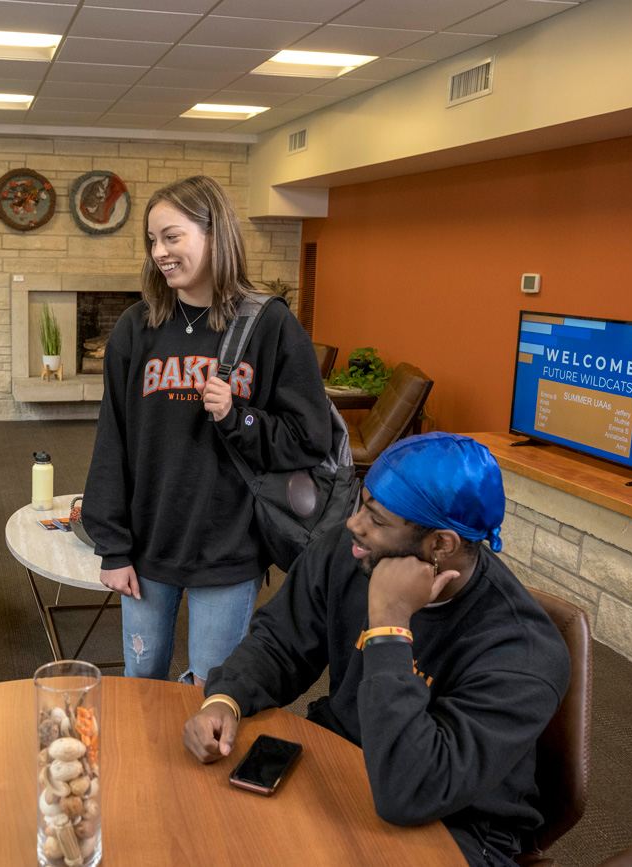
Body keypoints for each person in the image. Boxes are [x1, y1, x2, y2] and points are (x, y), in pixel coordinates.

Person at [182, 433, 571, 867]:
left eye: (378, 519)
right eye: (363, 502)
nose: (355, 524)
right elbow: (280, 642)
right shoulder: (352, 553)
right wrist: (226, 698)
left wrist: (390, 624)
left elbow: (411, 791)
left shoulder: (524, 651)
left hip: (454, 825)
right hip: (343, 765)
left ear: (442, 544)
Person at [83, 175, 332, 684]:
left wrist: (237, 415)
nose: (159, 252)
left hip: (229, 548)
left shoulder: (269, 325)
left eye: (172, 237)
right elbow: (114, 440)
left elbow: (310, 438)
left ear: (215, 234)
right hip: (148, 544)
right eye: (152, 240)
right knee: (141, 678)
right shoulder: (137, 327)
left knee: (209, 688)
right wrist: (112, 545)